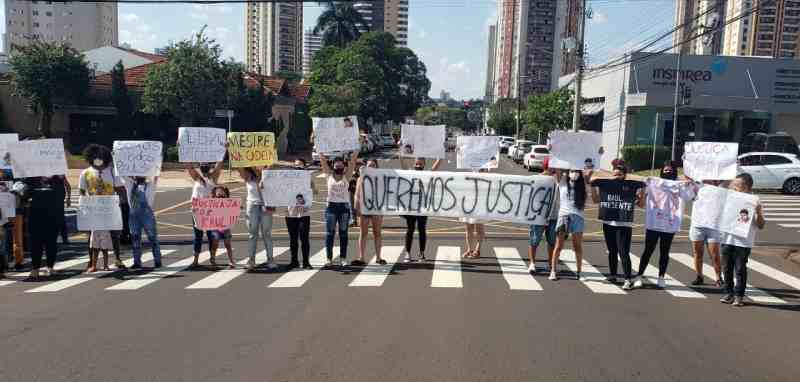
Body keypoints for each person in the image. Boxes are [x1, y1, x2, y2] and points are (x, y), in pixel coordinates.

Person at [633, 162, 697, 289]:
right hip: (654, 223)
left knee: (664, 251)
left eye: (670, 170)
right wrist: (643, 186)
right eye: (665, 170)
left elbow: (690, 197)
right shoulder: (653, 182)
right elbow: (641, 193)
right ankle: (639, 276)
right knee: (648, 251)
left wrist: (690, 184)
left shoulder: (680, 185)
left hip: (670, 223)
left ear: (674, 172)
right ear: (662, 171)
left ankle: (661, 277)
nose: (668, 172)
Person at [590, 162, 646, 290]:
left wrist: (643, 190)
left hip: (624, 224)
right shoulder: (606, 184)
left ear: (625, 175)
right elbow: (594, 195)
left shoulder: (630, 186)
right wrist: (595, 185)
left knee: (623, 252)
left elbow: (641, 204)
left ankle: (627, 279)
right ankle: (613, 275)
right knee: (612, 251)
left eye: (619, 174)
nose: (616, 176)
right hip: (608, 222)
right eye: (614, 174)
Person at [79, 144, 126, 272]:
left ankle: (117, 259)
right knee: (91, 236)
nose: (98, 160)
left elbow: (119, 187)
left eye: (100, 157)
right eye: (95, 157)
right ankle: (91, 261)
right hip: (93, 209)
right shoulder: (85, 173)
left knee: (114, 234)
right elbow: (82, 191)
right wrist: (85, 206)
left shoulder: (111, 171)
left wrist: (121, 200)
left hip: (110, 207)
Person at [720, 173, 765, 307]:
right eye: (733, 185)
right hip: (727, 239)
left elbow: (761, 225)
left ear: (746, 187)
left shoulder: (754, 201)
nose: (733, 187)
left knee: (740, 269)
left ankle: (739, 296)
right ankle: (729, 293)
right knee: (726, 268)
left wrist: (758, 212)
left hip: (743, 242)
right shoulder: (729, 198)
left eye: (736, 185)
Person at [549, 167, 590, 281]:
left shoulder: (583, 184)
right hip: (564, 216)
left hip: (578, 217)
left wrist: (598, 154)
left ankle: (579, 272)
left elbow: (591, 169)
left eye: (577, 171)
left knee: (577, 246)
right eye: (572, 171)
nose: (574, 173)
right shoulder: (562, 181)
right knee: (559, 245)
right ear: (568, 172)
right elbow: (556, 167)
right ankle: (553, 271)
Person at [399, 157, 443, 262]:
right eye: (417, 163)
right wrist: (401, 154)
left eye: (421, 164)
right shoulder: (410, 173)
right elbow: (403, 164)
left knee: (422, 230)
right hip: (411, 207)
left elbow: (435, 167)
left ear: (424, 165)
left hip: (423, 208)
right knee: (410, 230)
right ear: (414, 164)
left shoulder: (427, 174)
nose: (418, 165)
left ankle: (421, 253)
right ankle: (408, 253)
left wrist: (441, 156)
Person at [319, 151, 358, 267]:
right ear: (333, 166)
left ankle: (343, 258)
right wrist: (318, 141)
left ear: (344, 166)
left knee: (343, 234)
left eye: (341, 165)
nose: (339, 167)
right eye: (337, 165)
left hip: (344, 208)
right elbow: (322, 160)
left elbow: (353, 161)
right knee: (330, 233)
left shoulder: (347, 176)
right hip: (331, 207)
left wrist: (357, 147)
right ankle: (329, 259)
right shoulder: (328, 175)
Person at [21, 176, 65, 278]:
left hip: (52, 217)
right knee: (35, 244)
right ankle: (35, 268)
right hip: (35, 217)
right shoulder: (31, 179)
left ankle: (50, 267)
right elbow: (25, 196)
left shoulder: (57, 180)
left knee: (51, 243)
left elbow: (61, 196)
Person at [238, 167, 277, 270]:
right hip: (252, 206)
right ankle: (251, 259)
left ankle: (270, 259)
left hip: (266, 206)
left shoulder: (268, 175)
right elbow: (239, 165)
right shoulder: (248, 175)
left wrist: (273, 205)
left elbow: (275, 191)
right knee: (252, 233)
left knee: (266, 233)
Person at [187, 160, 224, 267]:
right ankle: (195, 259)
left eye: (206, 165)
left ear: (209, 167)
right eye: (202, 165)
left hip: (209, 211)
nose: (204, 167)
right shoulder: (198, 178)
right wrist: (182, 150)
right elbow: (189, 167)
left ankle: (212, 259)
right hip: (197, 210)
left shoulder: (213, 177)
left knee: (211, 236)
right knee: (197, 236)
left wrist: (224, 150)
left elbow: (220, 164)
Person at [121, 176, 163, 269]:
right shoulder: (130, 184)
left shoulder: (150, 184)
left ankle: (158, 261)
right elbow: (122, 174)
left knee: (152, 238)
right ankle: (137, 262)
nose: (139, 175)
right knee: (135, 238)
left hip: (147, 215)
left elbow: (156, 174)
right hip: (133, 215)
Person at [689, 179, 724, 287]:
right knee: (697, 253)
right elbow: (685, 178)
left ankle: (718, 278)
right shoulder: (697, 186)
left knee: (715, 254)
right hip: (697, 225)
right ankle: (699, 276)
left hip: (713, 226)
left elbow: (730, 179)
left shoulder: (720, 188)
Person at [353, 159, 386, 266]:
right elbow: (357, 194)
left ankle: (378, 257)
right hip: (365, 208)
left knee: (377, 232)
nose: (371, 167)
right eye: (369, 165)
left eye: (373, 165)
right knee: (363, 233)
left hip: (376, 208)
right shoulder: (360, 178)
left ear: (377, 167)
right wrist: (356, 207)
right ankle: (361, 257)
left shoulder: (381, 178)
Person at [286, 158, 317, 270]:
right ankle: (294, 261)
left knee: (304, 238)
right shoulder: (288, 179)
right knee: (293, 238)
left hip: (304, 213)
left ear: (304, 167)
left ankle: (306, 262)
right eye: (295, 166)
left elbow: (315, 191)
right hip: (291, 213)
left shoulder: (308, 178)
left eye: (300, 166)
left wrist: (311, 184)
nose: (297, 167)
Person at [528, 164, 559, 273]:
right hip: (539, 215)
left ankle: (550, 263)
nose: (553, 169)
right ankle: (532, 263)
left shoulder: (557, 180)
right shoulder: (537, 178)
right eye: (551, 167)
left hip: (554, 215)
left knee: (552, 240)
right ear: (546, 167)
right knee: (534, 239)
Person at [460, 168, 490, 259]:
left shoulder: (485, 167)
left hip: (480, 201)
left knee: (479, 227)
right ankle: (469, 249)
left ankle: (477, 250)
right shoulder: (470, 165)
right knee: (468, 227)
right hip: (468, 201)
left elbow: (488, 178)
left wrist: (483, 170)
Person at [208, 185, 237, 269]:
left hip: (226, 227)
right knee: (215, 243)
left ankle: (231, 260)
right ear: (214, 195)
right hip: (215, 227)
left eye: (222, 194)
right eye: (218, 194)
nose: (220, 196)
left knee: (228, 244)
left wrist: (237, 208)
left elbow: (235, 208)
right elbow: (205, 208)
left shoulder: (228, 202)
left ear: (226, 194)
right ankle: (213, 259)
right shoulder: (212, 202)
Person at [50, 175, 71, 244]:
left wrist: (68, 198)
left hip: (58, 200)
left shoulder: (60, 174)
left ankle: (64, 238)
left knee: (60, 219)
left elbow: (68, 186)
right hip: (49, 199)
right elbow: (67, 186)